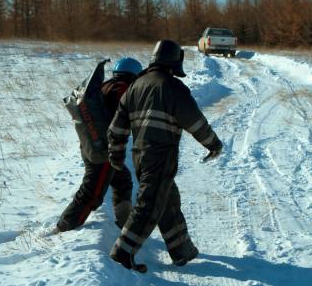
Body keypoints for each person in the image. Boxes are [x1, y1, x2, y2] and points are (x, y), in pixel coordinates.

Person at [107, 40, 223, 272]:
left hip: (139, 154)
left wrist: (117, 155)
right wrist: (213, 144)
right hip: (160, 155)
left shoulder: (134, 87)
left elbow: (116, 129)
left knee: (168, 201)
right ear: (174, 61)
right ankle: (122, 253)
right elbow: (195, 122)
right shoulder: (173, 88)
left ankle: (182, 250)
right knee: (148, 205)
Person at [54, 57, 143, 234]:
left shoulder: (106, 85)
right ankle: (63, 229)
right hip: (103, 151)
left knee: (122, 179)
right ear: (135, 75)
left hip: (89, 145)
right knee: (91, 193)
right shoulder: (124, 90)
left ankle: (124, 223)